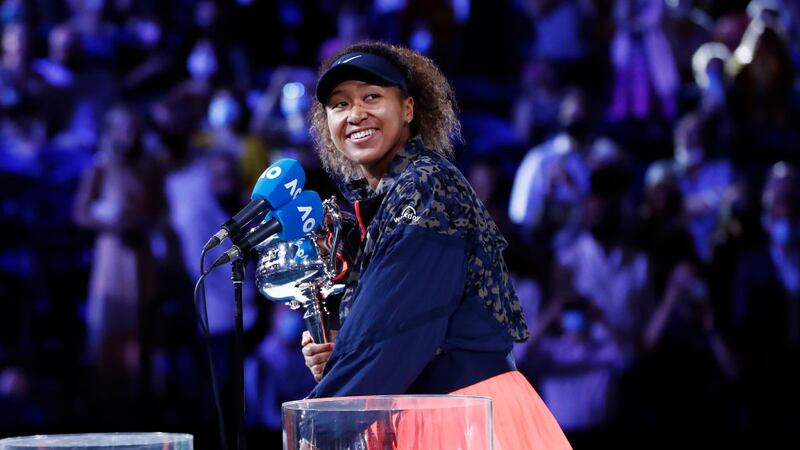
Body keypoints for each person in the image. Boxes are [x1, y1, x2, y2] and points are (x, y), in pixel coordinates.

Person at [300, 41, 571, 449]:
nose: (355, 114)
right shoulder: (389, 198)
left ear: (408, 109)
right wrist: (341, 353)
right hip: (433, 413)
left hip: (461, 419)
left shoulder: (426, 187)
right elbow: (406, 322)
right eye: (339, 104)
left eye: (372, 96)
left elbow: (396, 331)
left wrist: (320, 422)